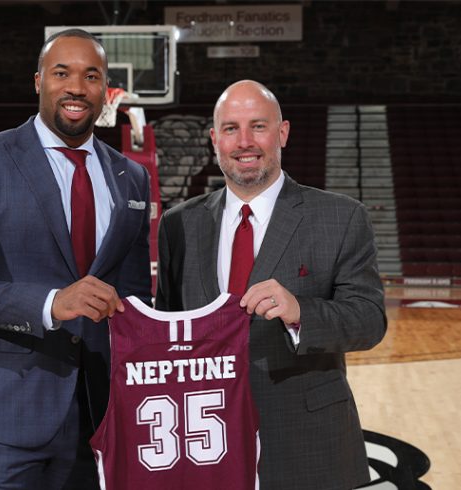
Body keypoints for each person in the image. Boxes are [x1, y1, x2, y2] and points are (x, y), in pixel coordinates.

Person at [0, 28, 152, 489]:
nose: (76, 87)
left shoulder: (131, 177)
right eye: (61, 73)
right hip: (7, 409)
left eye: (91, 76)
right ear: (38, 81)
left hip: (100, 414)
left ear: (105, 89)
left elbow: (135, 299)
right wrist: (49, 304)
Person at [154, 80, 386, 490]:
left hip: (308, 442)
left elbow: (369, 321)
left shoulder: (340, 217)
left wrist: (300, 312)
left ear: (282, 133)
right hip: (205, 441)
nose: (244, 142)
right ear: (214, 139)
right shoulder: (179, 224)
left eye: (258, 126)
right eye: (230, 129)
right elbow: (168, 329)